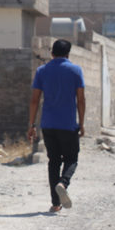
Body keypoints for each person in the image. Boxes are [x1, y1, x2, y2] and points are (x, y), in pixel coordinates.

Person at [28, 39, 86, 213]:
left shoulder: (42, 71)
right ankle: (63, 183)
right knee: (71, 159)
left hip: (48, 124)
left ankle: (55, 203)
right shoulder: (76, 70)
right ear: (68, 54)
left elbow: (34, 100)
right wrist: (81, 123)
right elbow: (81, 100)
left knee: (53, 161)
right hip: (68, 125)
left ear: (52, 53)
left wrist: (32, 125)